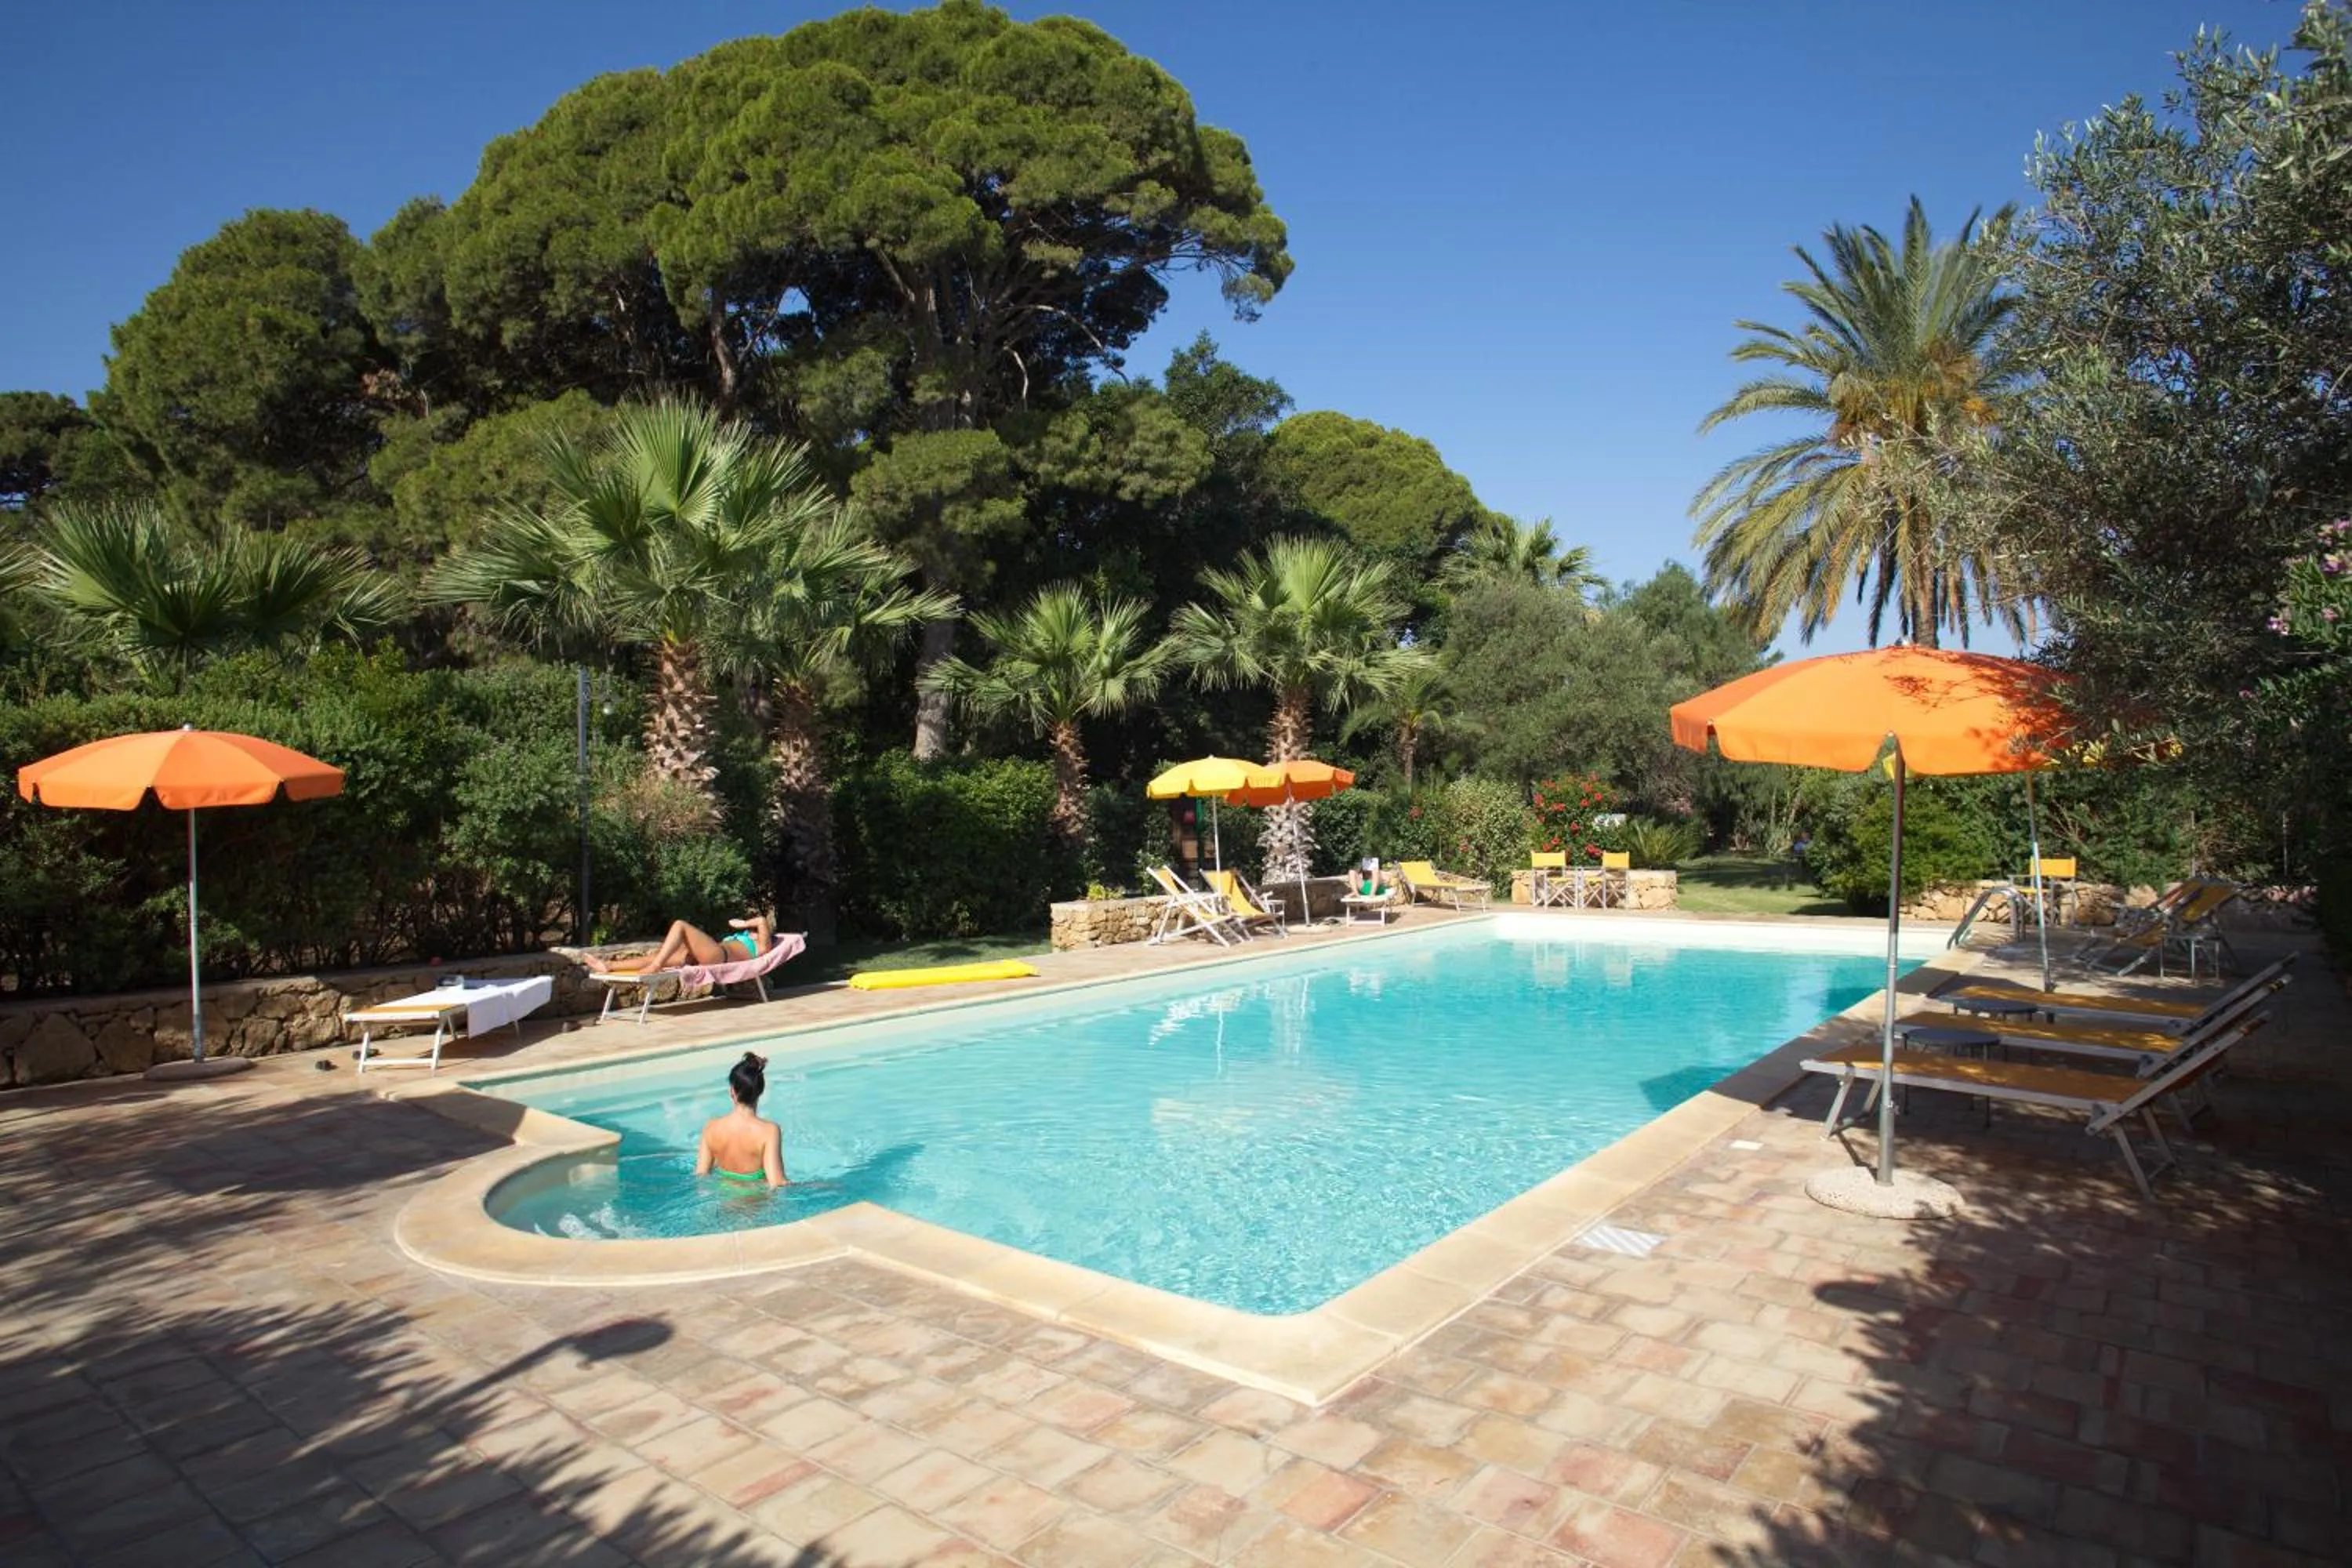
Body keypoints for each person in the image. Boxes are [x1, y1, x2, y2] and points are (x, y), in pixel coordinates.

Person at [697, 1051, 787, 1187]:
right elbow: (777, 1183)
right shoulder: (769, 1131)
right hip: (757, 1205)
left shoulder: (711, 1127)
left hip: (724, 1203)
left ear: (732, 1091)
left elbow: (701, 1175)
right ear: (760, 1091)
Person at [583, 915, 774, 975]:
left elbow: (762, 920)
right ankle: (608, 966)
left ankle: (656, 967)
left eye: (754, 932)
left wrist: (744, 924)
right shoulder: (744, 941)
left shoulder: (762, 947)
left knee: (680, 925)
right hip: (710, 955)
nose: (750, 932)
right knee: (658, 955)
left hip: (718, 956)